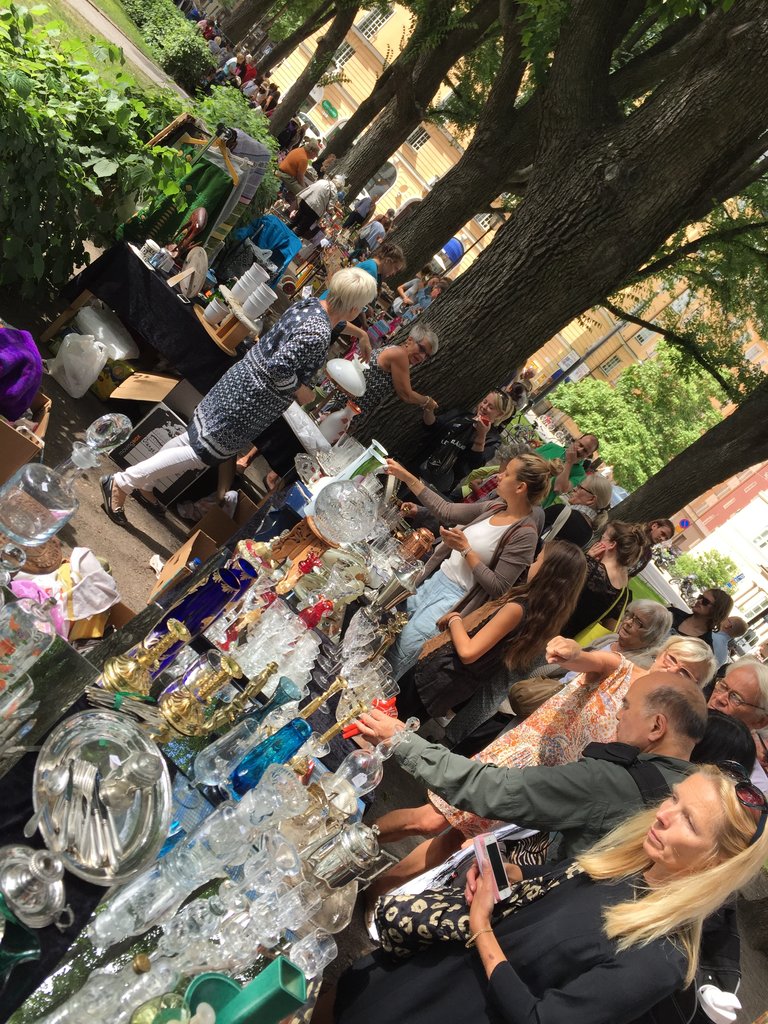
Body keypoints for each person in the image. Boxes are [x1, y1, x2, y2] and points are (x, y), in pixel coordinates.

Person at [316, 767, 768, 1024]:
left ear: (716, 862)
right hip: (414, 974)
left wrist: (481, 928)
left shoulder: (661, 959)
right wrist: (510, 874)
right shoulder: (632, 863)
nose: (665, 814)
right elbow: (559, 898)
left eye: (689, 821)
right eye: (673, 798)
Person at [372, 636, 716, 882]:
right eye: (672, 658)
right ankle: (357, 842)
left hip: (559, 793)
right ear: (660, 653)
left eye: (687, 674)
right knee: (431, 820)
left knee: (460, 844)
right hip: (522, 757)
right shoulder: (621, 670)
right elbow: (587, 659)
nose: (674, 670)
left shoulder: (662, 723)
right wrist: (569, 650)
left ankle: (379, 889)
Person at [100, 268, 377, 524]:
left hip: (241, 381)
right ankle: (124, 482)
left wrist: (361, 334)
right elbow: (279, 367)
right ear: (354, 308)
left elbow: (331, 326)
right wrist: (300, 390)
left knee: (195, 436)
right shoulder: (318, 333)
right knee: (203, 452)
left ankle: (145, 483)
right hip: (251, 399)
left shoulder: (311, 305)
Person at [383, 454, 551, 680]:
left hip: (453, 600)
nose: (499, 475)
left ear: (521, 487)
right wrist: (407, 477)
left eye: (507, 473)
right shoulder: (496, 506)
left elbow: (500, 587)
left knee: (398, 656)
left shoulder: (525, 535)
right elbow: (447, 511)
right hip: (433, 581)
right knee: (384, 636)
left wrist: (465, 549)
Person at [396, 540, 586, 724]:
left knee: (387, 719)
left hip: (437, 678)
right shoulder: (543, 619)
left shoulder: (518, 609)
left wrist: (455, 619)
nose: (531, 564)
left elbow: (468, 652)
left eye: (538, 560)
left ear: (548, 572)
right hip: (451, 687)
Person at [415, 391, 517, 495]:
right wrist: (429, 410)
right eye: (484, 402)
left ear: (499, 414)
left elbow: (475, 463)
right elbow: (433, 427)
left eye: (491, 407)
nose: (484, 407)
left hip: (436, 484)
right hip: (419, 464)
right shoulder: (461, 414)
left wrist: (481, 435)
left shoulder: (493, 439)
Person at [561, 521, 647, 638]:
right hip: (568, 641)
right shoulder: (624, 594)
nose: (600, 540)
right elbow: (610, 627)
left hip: (545, 626)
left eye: (603, 537)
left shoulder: (588, 567)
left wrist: (586, 558)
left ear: (612, 544)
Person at [351, 324, 439, 422]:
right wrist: (427, 401)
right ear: (410, 340)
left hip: (350, 404)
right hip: (344, 402)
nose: (422, 357)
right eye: (422, 349)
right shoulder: (400, 355)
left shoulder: (396, 350)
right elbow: (406, 395)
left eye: (427, 355)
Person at [707, 657, 768, 791]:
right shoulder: (681, 717)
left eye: (736, 698)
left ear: (760, 721)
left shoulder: (751, 786)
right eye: (722, 686)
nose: (720, 698)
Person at [589, 597, 674, 668]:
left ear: (652, 636)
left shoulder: (639, 666)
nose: (628, 622)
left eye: (638, 622)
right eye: (629, 615)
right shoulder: (612, 638)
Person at [539, 473, 613, 549]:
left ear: (591, 499)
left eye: (580, 487)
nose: (574, 488)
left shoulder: (561, 511)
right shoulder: (589, 535)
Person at [536, 431, 599, 508]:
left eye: (585, 450)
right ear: (577, 440)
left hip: (533, 505)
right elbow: (525, 459)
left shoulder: (580, 474)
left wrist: (569, 462)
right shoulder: (552, 447)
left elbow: (558, 489)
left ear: (589, 454)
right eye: (580, 445)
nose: (580, 450)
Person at [670, 588, 733, 657]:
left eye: (705, 601)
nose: (699, 601)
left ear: (716, 610)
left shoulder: (703, 648)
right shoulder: (672, 613)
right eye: (700, 597)